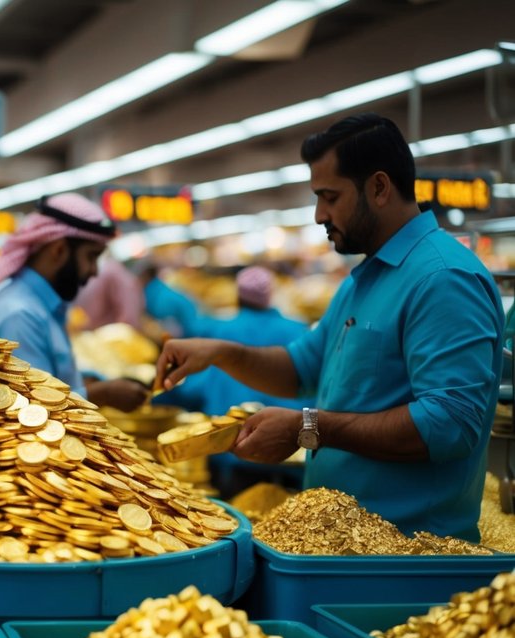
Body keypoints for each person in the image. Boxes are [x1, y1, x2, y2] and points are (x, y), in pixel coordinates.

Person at [156, 114, 502, 540]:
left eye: (329, 196)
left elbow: (450, 424)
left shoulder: (442, 278)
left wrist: (309, 428)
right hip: (345, 549)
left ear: (378, 187)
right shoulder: (366, 278)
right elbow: (301, 367)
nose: (320, 214)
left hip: (408, 558)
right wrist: (222, 353)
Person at [0, 192, 150, 412]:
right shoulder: (20, 315)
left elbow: (47, 380)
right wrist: (104, 394)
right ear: (59, 250)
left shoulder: (38, 307)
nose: (94, 271)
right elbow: (27, 409)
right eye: (91, 257)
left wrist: (89, 380)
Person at [154, 266, 310, 496]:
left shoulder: (220, 330)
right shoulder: (298, 330)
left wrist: (160, 393)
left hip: (234, 450)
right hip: (290, 449)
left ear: (238, 296)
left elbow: (195, 388)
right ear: (270, 296)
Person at [73, 250, 144, 330]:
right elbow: (129, 319)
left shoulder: (111, 271)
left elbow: (128, 319)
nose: (94, 271)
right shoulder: (115, 273)